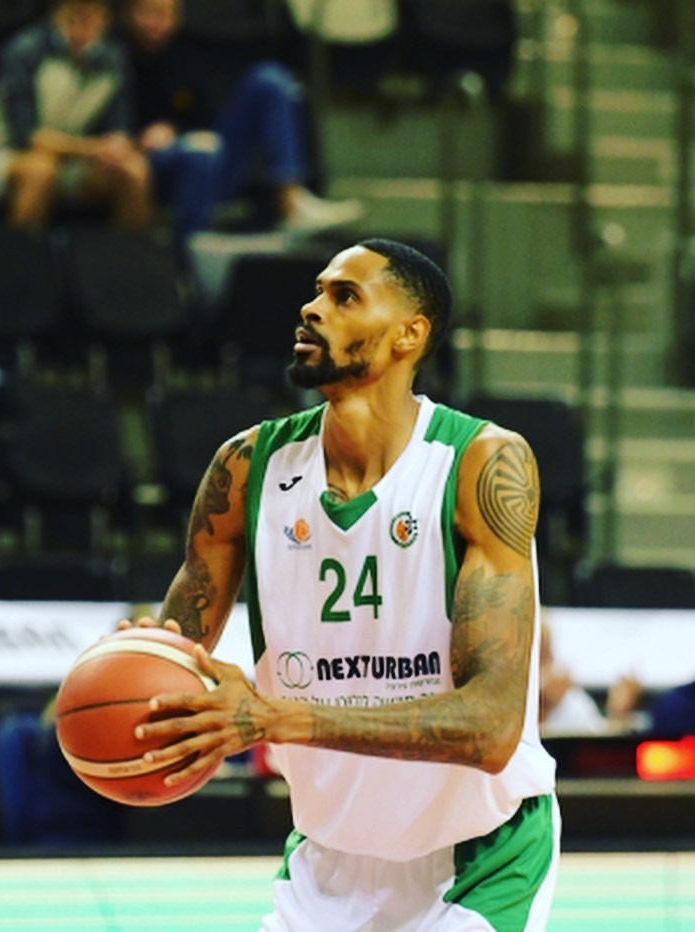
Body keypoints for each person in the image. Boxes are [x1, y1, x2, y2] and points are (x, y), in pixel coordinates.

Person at [124, 238, 559, 930]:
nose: (312, 308)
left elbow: (491, 727)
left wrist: (275, 718)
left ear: (409, 334)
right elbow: (175, 662)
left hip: (478, 863)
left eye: (345, 296)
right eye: (317, 291)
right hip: (326, 861)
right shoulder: (246, 468)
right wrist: (136, 669)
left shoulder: (479, 463)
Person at [119, 0, 363, 249]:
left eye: (164, 14)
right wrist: (141, 138)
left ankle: (291, 202)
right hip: (150, 164)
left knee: (269, 79)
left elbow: (204, 115)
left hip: (207, 155)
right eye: (147, 13)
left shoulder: (187, 54)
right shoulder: (116, 57)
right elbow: (112, 127)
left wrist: (175, 128)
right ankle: (187, 260)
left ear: (178, 17)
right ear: (128, 13)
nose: (155, 23)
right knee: (200, 152)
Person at [0, 0, 153, 229]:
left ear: (106, 21)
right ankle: (19, 251)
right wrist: (93, 149)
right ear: (55, 16)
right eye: (72, 18)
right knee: (40, 170)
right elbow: (28, 138)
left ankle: (131, 252)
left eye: (91, 19)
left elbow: (119, 130)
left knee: (134, 170)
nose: (81, 29)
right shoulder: (26, 49)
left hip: (69, 163)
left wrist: (117, 147)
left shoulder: (114, 61)